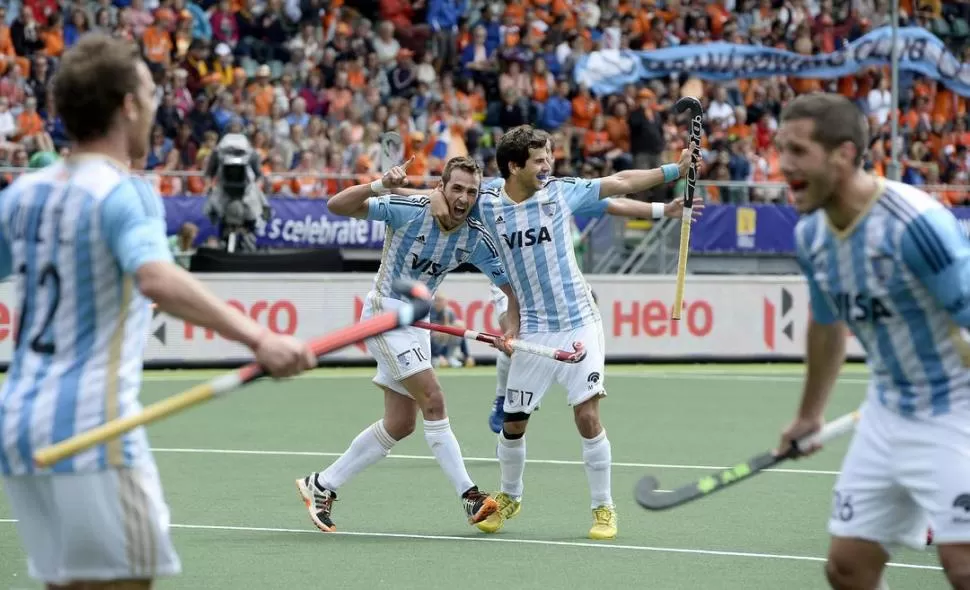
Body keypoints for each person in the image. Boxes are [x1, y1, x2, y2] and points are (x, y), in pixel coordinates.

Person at [0, 34, 316, 590]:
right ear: (127, 105)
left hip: (20, 428)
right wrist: (259, 338)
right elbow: (156, 276)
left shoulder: (23, 194)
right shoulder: (123, 193)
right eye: (149, 93)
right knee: (129, 581)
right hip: (91, 429)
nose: (155, 104)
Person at [430, 124, 699, 540]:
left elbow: (620, 182)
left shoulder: (559, 190)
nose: (547, 166)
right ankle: (510, 496)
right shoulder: (485, 203)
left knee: (587, 415)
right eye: (539, 161)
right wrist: (432, 194)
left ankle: (603, 508)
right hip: (534, 330)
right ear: (514, 166)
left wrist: (673, 170)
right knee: (513, 423)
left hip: (578, 322)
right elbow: (444, 197)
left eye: (549, 157)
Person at [775, 92, 970, 590]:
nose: (783, 165)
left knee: (962, 565)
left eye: (798, 151)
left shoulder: (916, 226)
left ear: (843, 154)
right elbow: (826, 325)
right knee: (848, 568)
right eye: (781, 149)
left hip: (956, 411)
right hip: (886, 413)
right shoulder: (811, 236)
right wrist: (809, 414)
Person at [295, 155, 519, 532]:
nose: (463, 197)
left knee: (400, 423)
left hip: (417, 323)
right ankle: (470, 496)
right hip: (385, 313)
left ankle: (321, 485)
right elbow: (336, 205)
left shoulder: (476, 238)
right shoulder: (407, 208)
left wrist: (509, 329)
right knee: (434, 399)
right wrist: (380, 184)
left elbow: (510, 291)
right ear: (442, 187)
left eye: (472, 191)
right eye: (457, 188)